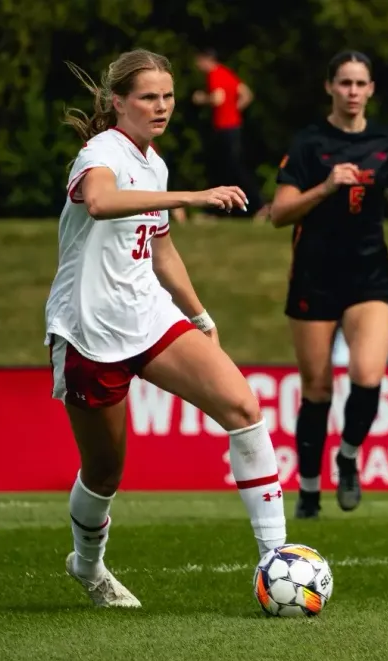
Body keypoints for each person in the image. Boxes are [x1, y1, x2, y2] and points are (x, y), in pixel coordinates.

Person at [50, 51, 286, 608]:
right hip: (90, 328)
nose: (161, 107)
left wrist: (200, 315)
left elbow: (160, 247)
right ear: (118, 102)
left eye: (169, 96)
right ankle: (87, 565)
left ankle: (276, 561)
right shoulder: (99, 153)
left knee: (243, 408)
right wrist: (193, 198)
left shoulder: (153, 163)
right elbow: (103, 201)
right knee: (104, 471)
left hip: (148, 313)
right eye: (149, 97)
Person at [270, 50, 388, 519]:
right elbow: (278, 214)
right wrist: (325, 188)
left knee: (368, 374)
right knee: (317, 388)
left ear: (372, 89)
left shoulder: (386, 140)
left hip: (368, 276)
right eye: (344, 83)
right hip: (315, 276)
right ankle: (309, 490)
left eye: (360, 84)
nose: (353, 92)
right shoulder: (310, 143)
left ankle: (349, 456)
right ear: (329, 87)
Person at [192, 48, 260, 217]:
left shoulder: (214, 75)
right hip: (234, 126)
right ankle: (238, 209)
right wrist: (235, 110)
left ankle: (257, 205)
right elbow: (246, 94)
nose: (198, 65)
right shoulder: (226, 72)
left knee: (227, 169)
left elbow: (217, 98)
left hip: (224, 128)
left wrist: (201, 98)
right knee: (231, 168)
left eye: (199, 61)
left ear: (207, 59)